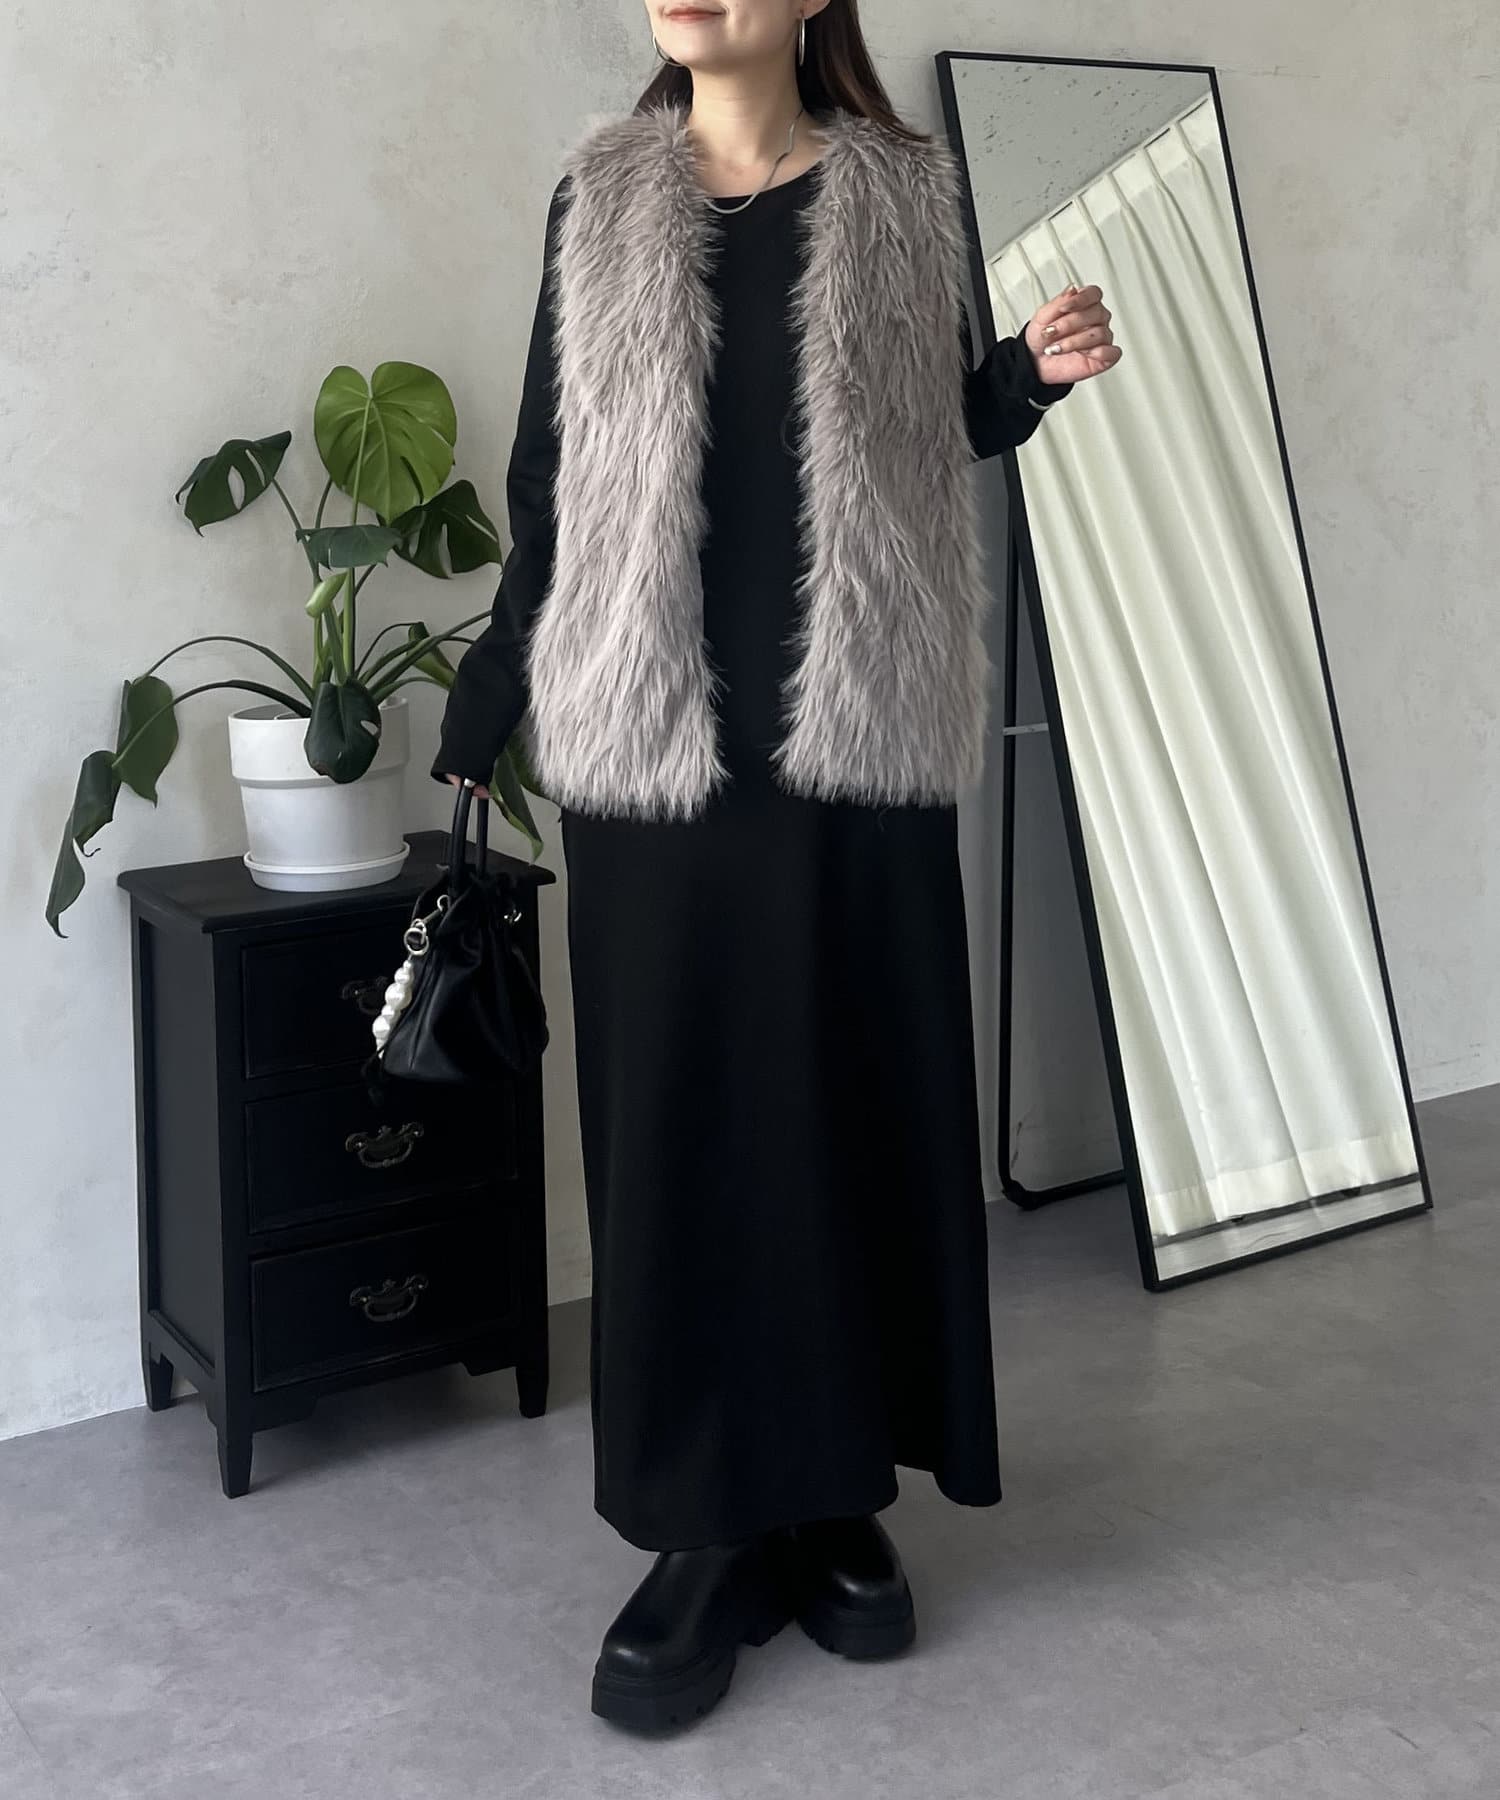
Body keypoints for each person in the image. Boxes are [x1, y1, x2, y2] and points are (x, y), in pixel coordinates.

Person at [433, 0, 1119, 1733]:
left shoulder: (899, 190)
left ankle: (834, 1494)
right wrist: (490, 696)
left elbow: (925, 426)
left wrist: (1025, 380)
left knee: (850, 1105)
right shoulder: (600, 198)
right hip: (653, 746)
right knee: (680, 1126)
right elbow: (550, 478)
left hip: (853, 735)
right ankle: (704, 1524)